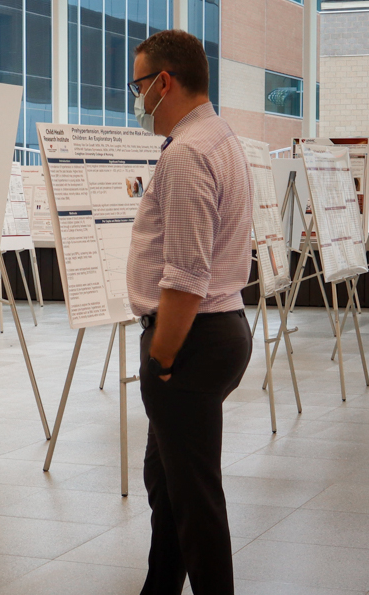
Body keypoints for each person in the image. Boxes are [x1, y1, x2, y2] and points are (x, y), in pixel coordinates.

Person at [126, 29, 254, 595]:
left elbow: (185, 278)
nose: (136, 98)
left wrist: (162, 356)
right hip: (221, 332)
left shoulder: (186, 154)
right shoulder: (222, 137)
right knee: (169, 483)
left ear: (163, 82)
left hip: (191, 340)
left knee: (194, 499)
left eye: (137, 85)